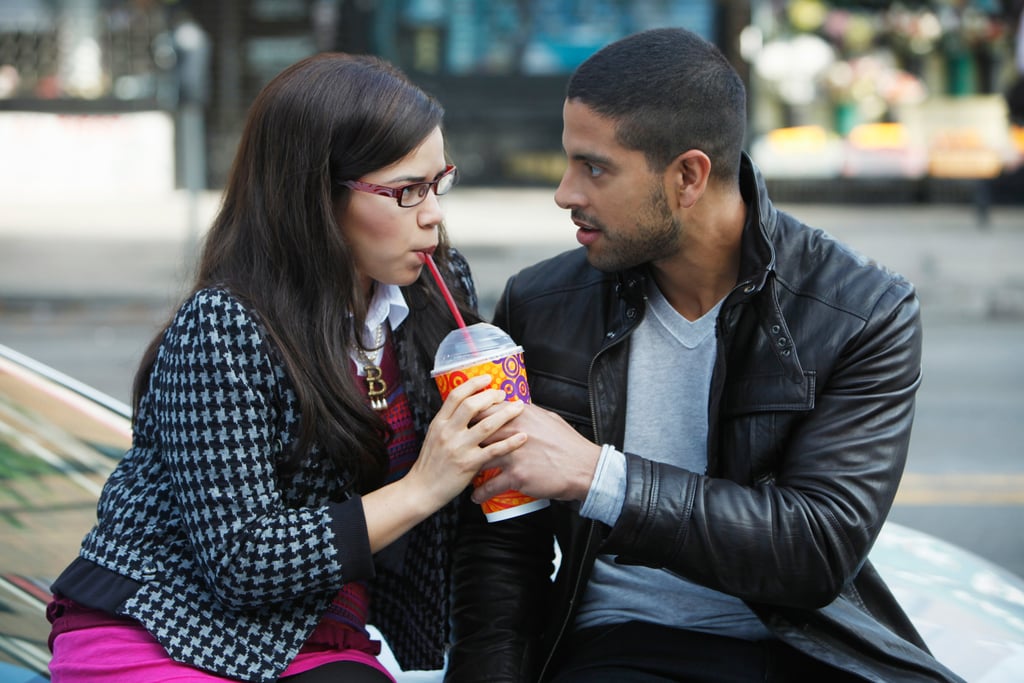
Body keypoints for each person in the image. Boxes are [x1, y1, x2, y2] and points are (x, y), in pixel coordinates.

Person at [447, 28, 965, 683]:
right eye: (568, 161)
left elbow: (816, 548)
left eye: (595, 167)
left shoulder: (861, 312)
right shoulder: (543, 302)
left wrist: (598, 476)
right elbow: (501, 552)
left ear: (688, 175)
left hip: (804, 647)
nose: (564, 191)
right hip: (624, 647)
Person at [46, 53, 526, 683]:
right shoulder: (224, 325)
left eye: (441, 182)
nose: (432, 213)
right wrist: (423, 486)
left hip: (327, 638)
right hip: (164, 627)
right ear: (316, 193)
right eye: (406, 191)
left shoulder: (437, 289)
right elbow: (242, 559)